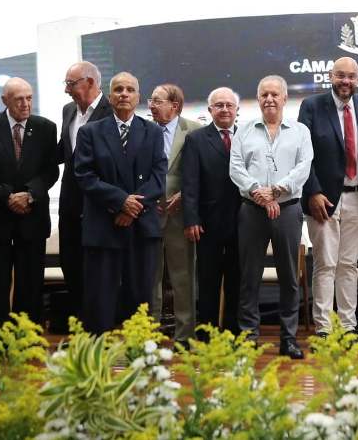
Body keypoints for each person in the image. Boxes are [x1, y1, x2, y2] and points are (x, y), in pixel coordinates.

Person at [73, 72, 166, 334]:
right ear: (110, 96)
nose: (124, 94)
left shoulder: (152, 132)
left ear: (138, 97)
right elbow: (84, 176)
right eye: (118, 89)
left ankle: (140, 356)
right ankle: (97, 358)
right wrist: (121, 202)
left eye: (130, 90)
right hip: (104, 226)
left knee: (140, 300)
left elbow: (159, 177)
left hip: (140, 227)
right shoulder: (90, 132)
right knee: (99, 300)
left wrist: (133, 208)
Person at [298, 57, 358, 336]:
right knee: (325, 263)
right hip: (323, 200)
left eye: (351, 77)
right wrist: (312, 191)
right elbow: (302, 153)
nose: (346, 82)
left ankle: (348, 326)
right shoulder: (312, 106)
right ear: (330, 76)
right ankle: (324, 327)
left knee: (348, 265)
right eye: (340, 76)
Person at [230, 75, 313, 359]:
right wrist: (259, 193)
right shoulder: (243, 131)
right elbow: (236, 168)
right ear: (258, 98)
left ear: (285, 98)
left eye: (274, 94)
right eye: (264, 94)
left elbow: (304, 167)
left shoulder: (301, 131)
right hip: (252, 209)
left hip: (288, 209)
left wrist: (277, 191)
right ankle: (248, 336)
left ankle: (289, 338)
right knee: (248, 275)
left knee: (289, 276)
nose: (269, 99)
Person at [0, 77, 59, 327]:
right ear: (5, 101)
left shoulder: (46, 128)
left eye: (29, 98)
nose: (25, 104)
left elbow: (50, 171)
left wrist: (29, 194)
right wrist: (7, 196)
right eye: (19, 99)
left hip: (31, 219)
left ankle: (27, 337)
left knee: (31, 284)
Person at [182, 87, 243, 334]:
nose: (225, 109)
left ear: (237, 111)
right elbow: (189, 183)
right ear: (210, 110)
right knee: (208, 281)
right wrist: (191, 218)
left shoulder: (247, 137)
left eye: (229, 105)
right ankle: (206, 333)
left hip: (242, 222)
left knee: (237, 281)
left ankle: (233, 332)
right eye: (219, 105)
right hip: (207, 224)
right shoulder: (196, 139)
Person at [147, 83, 203, 344]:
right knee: (150, 277)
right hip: (148, 213)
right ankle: (149, 332)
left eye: (157, 101)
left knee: (183, 278)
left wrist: (185, 195)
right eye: (151, 100)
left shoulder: (195, 130)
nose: (151, 105)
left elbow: (205, 173)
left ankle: (184, 335)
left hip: (181, 215)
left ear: (175, 105)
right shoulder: (144, 130)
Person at [56, 61, 112, 321]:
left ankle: (99, 327)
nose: (67, 90)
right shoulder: (69, 110)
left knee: (99, 271)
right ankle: (81, 324)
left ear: (90, 82)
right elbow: (63, 152)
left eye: (71, 84)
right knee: (71, 264)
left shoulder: (112, 111)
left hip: (99, 205)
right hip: (69, 205)